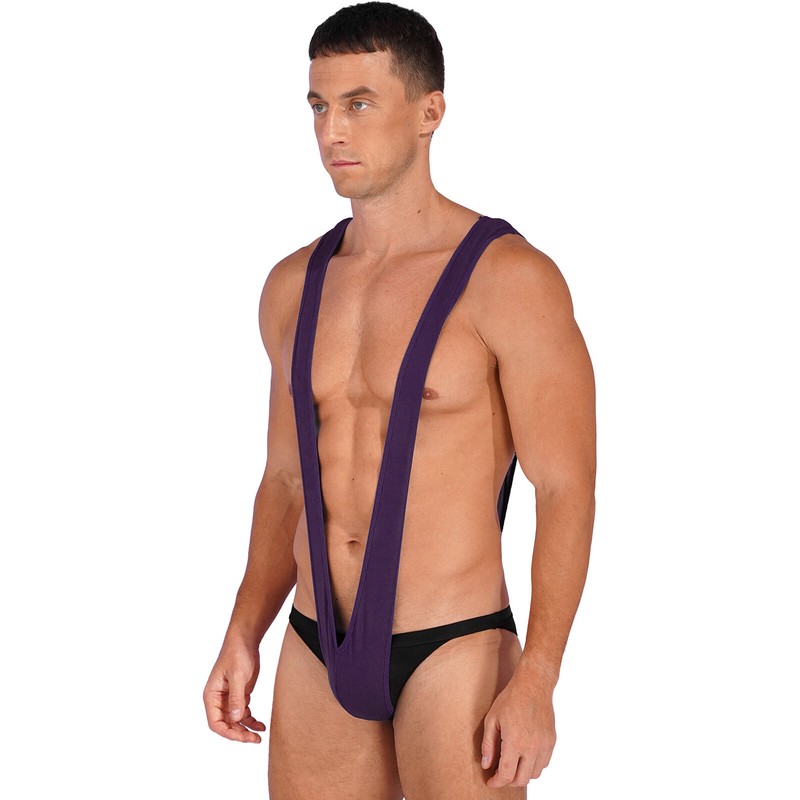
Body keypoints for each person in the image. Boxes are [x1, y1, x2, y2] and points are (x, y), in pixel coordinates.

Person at [203, 2, 596, 797]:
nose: (332, 132)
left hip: (454, 645)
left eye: (359, 104)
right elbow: (285, 478)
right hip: (316, 642)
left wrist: (538, 678)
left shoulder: (510, 280)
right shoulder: (292, 287)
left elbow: (565, 488)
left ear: (429, 112)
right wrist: (243, 629)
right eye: (319, 106)